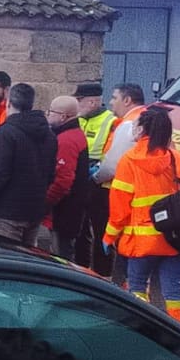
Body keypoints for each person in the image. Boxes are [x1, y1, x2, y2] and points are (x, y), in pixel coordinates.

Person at [102, 105, 180, 325]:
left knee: (137, 287)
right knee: (174, 290)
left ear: (142, 130)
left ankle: (142, 332)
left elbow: (120, 207)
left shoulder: (129, 161)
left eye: (136, 125)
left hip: (142, 240)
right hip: (175, 238)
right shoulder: (177, 158)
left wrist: (109, 236)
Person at [0, 83, 57, 247]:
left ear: (9, 104)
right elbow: (50, 173)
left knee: (5, 259)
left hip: (8, 212)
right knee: (26, 261)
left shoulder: (6, 134)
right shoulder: (49, 134)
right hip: (34, 209)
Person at [93, 83, 148, 286]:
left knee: (121, 244)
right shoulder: (152, 118)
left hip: (120, 191)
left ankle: (118, 289)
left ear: (127, 100)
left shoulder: (129, 125)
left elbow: (113, 165)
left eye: (114, 97)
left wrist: (96, 177)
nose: (110, 102)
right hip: (144, 192)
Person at [75, 82, 116, 274]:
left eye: (79, 100)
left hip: (99, 182)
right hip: (80, 178)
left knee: (100, 230)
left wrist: (96, 175)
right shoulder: (80, 118)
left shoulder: (111, 121)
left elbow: (112, 156)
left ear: (92, 102)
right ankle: (80, 270)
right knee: (80, 229)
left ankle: (103, 274)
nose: (77, 104)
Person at [43, 95, 90, 261]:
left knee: (60, 257)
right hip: (71, 210)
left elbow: (62, 181)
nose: (48, 114)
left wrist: (45, 203)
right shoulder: (75, 135)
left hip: (63, 212)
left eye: (51, 111)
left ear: (63, 116)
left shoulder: (66, 140)